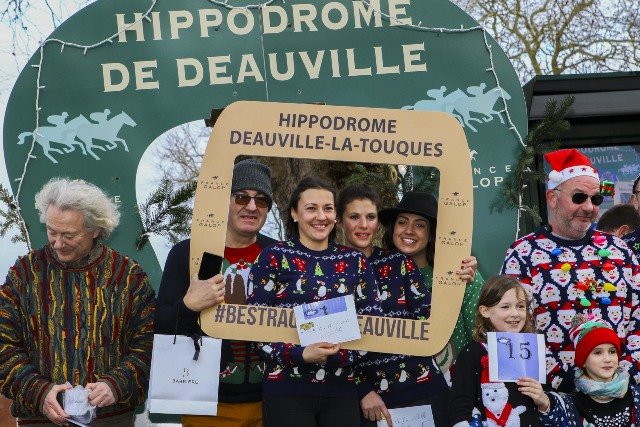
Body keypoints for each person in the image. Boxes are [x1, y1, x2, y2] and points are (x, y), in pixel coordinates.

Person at [0, 178, 156, 426]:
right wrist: (38, 391)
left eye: (69, 235)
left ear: (95, 230)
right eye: (52, 232)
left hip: (110, 418)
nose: (57, 243)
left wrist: (117, 384)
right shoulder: (25, 273)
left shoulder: (127, 276)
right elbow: (4, 343)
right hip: (40, 418)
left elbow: (149, 342)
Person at [247, 176, 382, 427]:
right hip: (286, 389)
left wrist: (334, 356)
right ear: (294, 213)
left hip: (341, 390)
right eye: (311, 208)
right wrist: (301, 354)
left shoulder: (355, 261)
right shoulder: (273, 257)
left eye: (328, 208)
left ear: (336, 215)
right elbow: (255, 327)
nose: (321, 216)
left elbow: (374, 324)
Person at [501, 148, 640, 391]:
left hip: (623, 392)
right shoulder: (522, 254)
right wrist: (563, 383)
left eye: (595, 199)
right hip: (553, 397)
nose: (589, 207)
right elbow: (511, 328)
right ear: (552, 198)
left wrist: (626, 376)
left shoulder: (620, 251)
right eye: (579, 197)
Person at [336, 184, 475, 426]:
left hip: (424, 388)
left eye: (370, 217)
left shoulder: (398, 262)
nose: (363, 225)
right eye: (354, 217)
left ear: (378, 223)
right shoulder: (329, 271)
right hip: (372, 400)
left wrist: (459, 277)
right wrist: (362, 389)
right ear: (339, 221)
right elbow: (329, 342)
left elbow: (429, 321)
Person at [155, 159, 277, 427]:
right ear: (225, 201)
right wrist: (189, 305)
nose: (251, 207)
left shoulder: (279, 255)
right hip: (207, 404)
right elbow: (160, 327)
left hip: (273, 403)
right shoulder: (189, 254)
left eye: (261, 200)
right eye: (241, 197)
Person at [378, 191, 484, 377]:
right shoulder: (374, 275)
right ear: (393, 228)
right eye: (402, 222)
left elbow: (480, 333)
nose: (409, 230)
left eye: (420, 225)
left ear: (431, 234)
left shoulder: (460, 273)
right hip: (395, 382)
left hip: (455, 381)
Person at [449, 275, 542, 426]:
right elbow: (460, 406)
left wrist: (543, 400)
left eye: (521, 306)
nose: (515, 313)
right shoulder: (472, 353)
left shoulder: (531, 349)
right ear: (485, 311)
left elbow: (545, 398)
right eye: (505, 307)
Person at [525, 314, 640, 426]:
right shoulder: (568, 406)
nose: (607, 359)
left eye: (612, 351)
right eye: (598, 352)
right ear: (583, 360)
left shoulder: (636, 396)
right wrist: (544, 403)